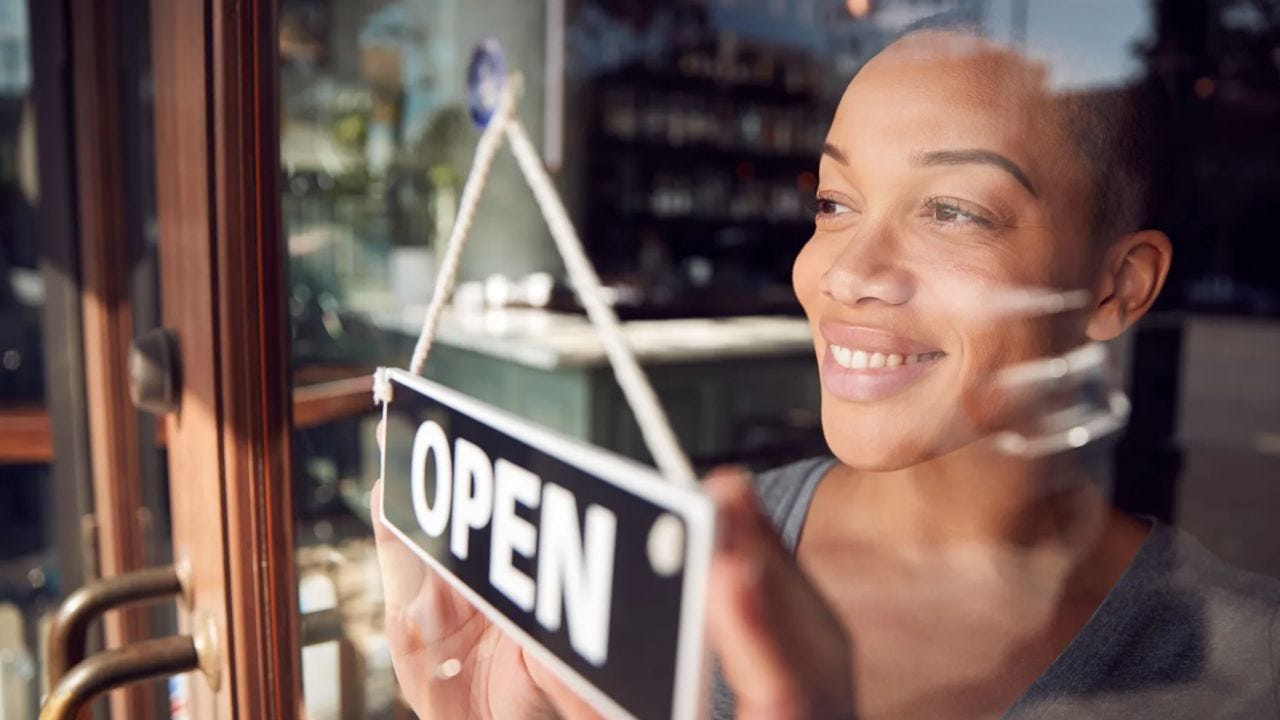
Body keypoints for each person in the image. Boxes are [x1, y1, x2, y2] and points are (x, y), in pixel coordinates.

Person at [371, 26, 1280, 720]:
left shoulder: (1243, 666)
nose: (843, 272)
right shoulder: (688, 556)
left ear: (1118, 285)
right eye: (834, 202)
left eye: (953, 210)